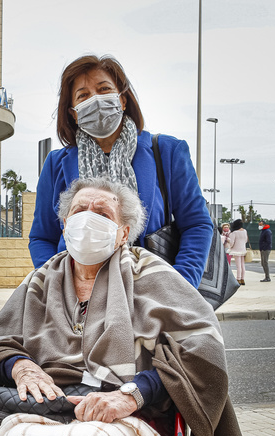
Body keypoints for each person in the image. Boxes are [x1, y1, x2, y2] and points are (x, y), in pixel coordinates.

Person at [0, 178, 253, 436]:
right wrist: (20, 366)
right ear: (66, 223)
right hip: (43, 411)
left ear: (123, 233)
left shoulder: (150, 273)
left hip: (132, 417)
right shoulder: (40, 281)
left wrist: (130, 395)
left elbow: (202, 345)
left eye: (102, 213)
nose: (88, 219)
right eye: (80, 210)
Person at [28, 54, 213, 288]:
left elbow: (197, 224)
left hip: (151, 291)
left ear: (122, 100)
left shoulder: (167, 151)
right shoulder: (56, 163)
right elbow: (42, 237)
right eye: (83, 95)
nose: (95, 99)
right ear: (73, 112)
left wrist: (180, 287)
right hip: (80, 294)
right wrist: (57, 285)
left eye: (104, 89)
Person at [225, 219, 248, 285]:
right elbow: (246, 240)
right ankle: (242, 279)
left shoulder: (234, 233)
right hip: (243, 250)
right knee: (242, 265)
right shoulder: (245, 231)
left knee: (238, 266)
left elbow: (232, 243)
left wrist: (229, 243)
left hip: (236, 250)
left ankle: (238, 279)